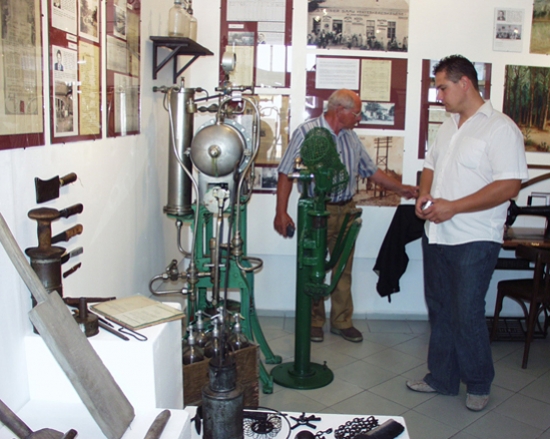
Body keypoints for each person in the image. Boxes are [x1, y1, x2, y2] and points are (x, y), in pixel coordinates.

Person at [407, 55, 528, 411]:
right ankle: (442, 378)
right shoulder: (448, 126)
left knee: (467, 313)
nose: (439, 96)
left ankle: (477, 382)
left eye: (443, 88)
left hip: (475, 238)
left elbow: (509, 186)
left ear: (465, 84)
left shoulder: (500, 129)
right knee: (440, 309)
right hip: (438, 234)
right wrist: (425, 194)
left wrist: (454, 207)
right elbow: (430, 166)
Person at [274, 89, 418, 343]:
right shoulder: (307, 132)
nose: (359, 118)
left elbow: (371, 171)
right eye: (357, 113)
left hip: (346, 210)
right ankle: (314, 321)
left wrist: (401, 188)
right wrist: (280, 212)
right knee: (314, 268)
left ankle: (341, 321)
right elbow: (286, 172)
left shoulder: (351, 138)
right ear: (339, 110)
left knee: (343, 269)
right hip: (317, 211)